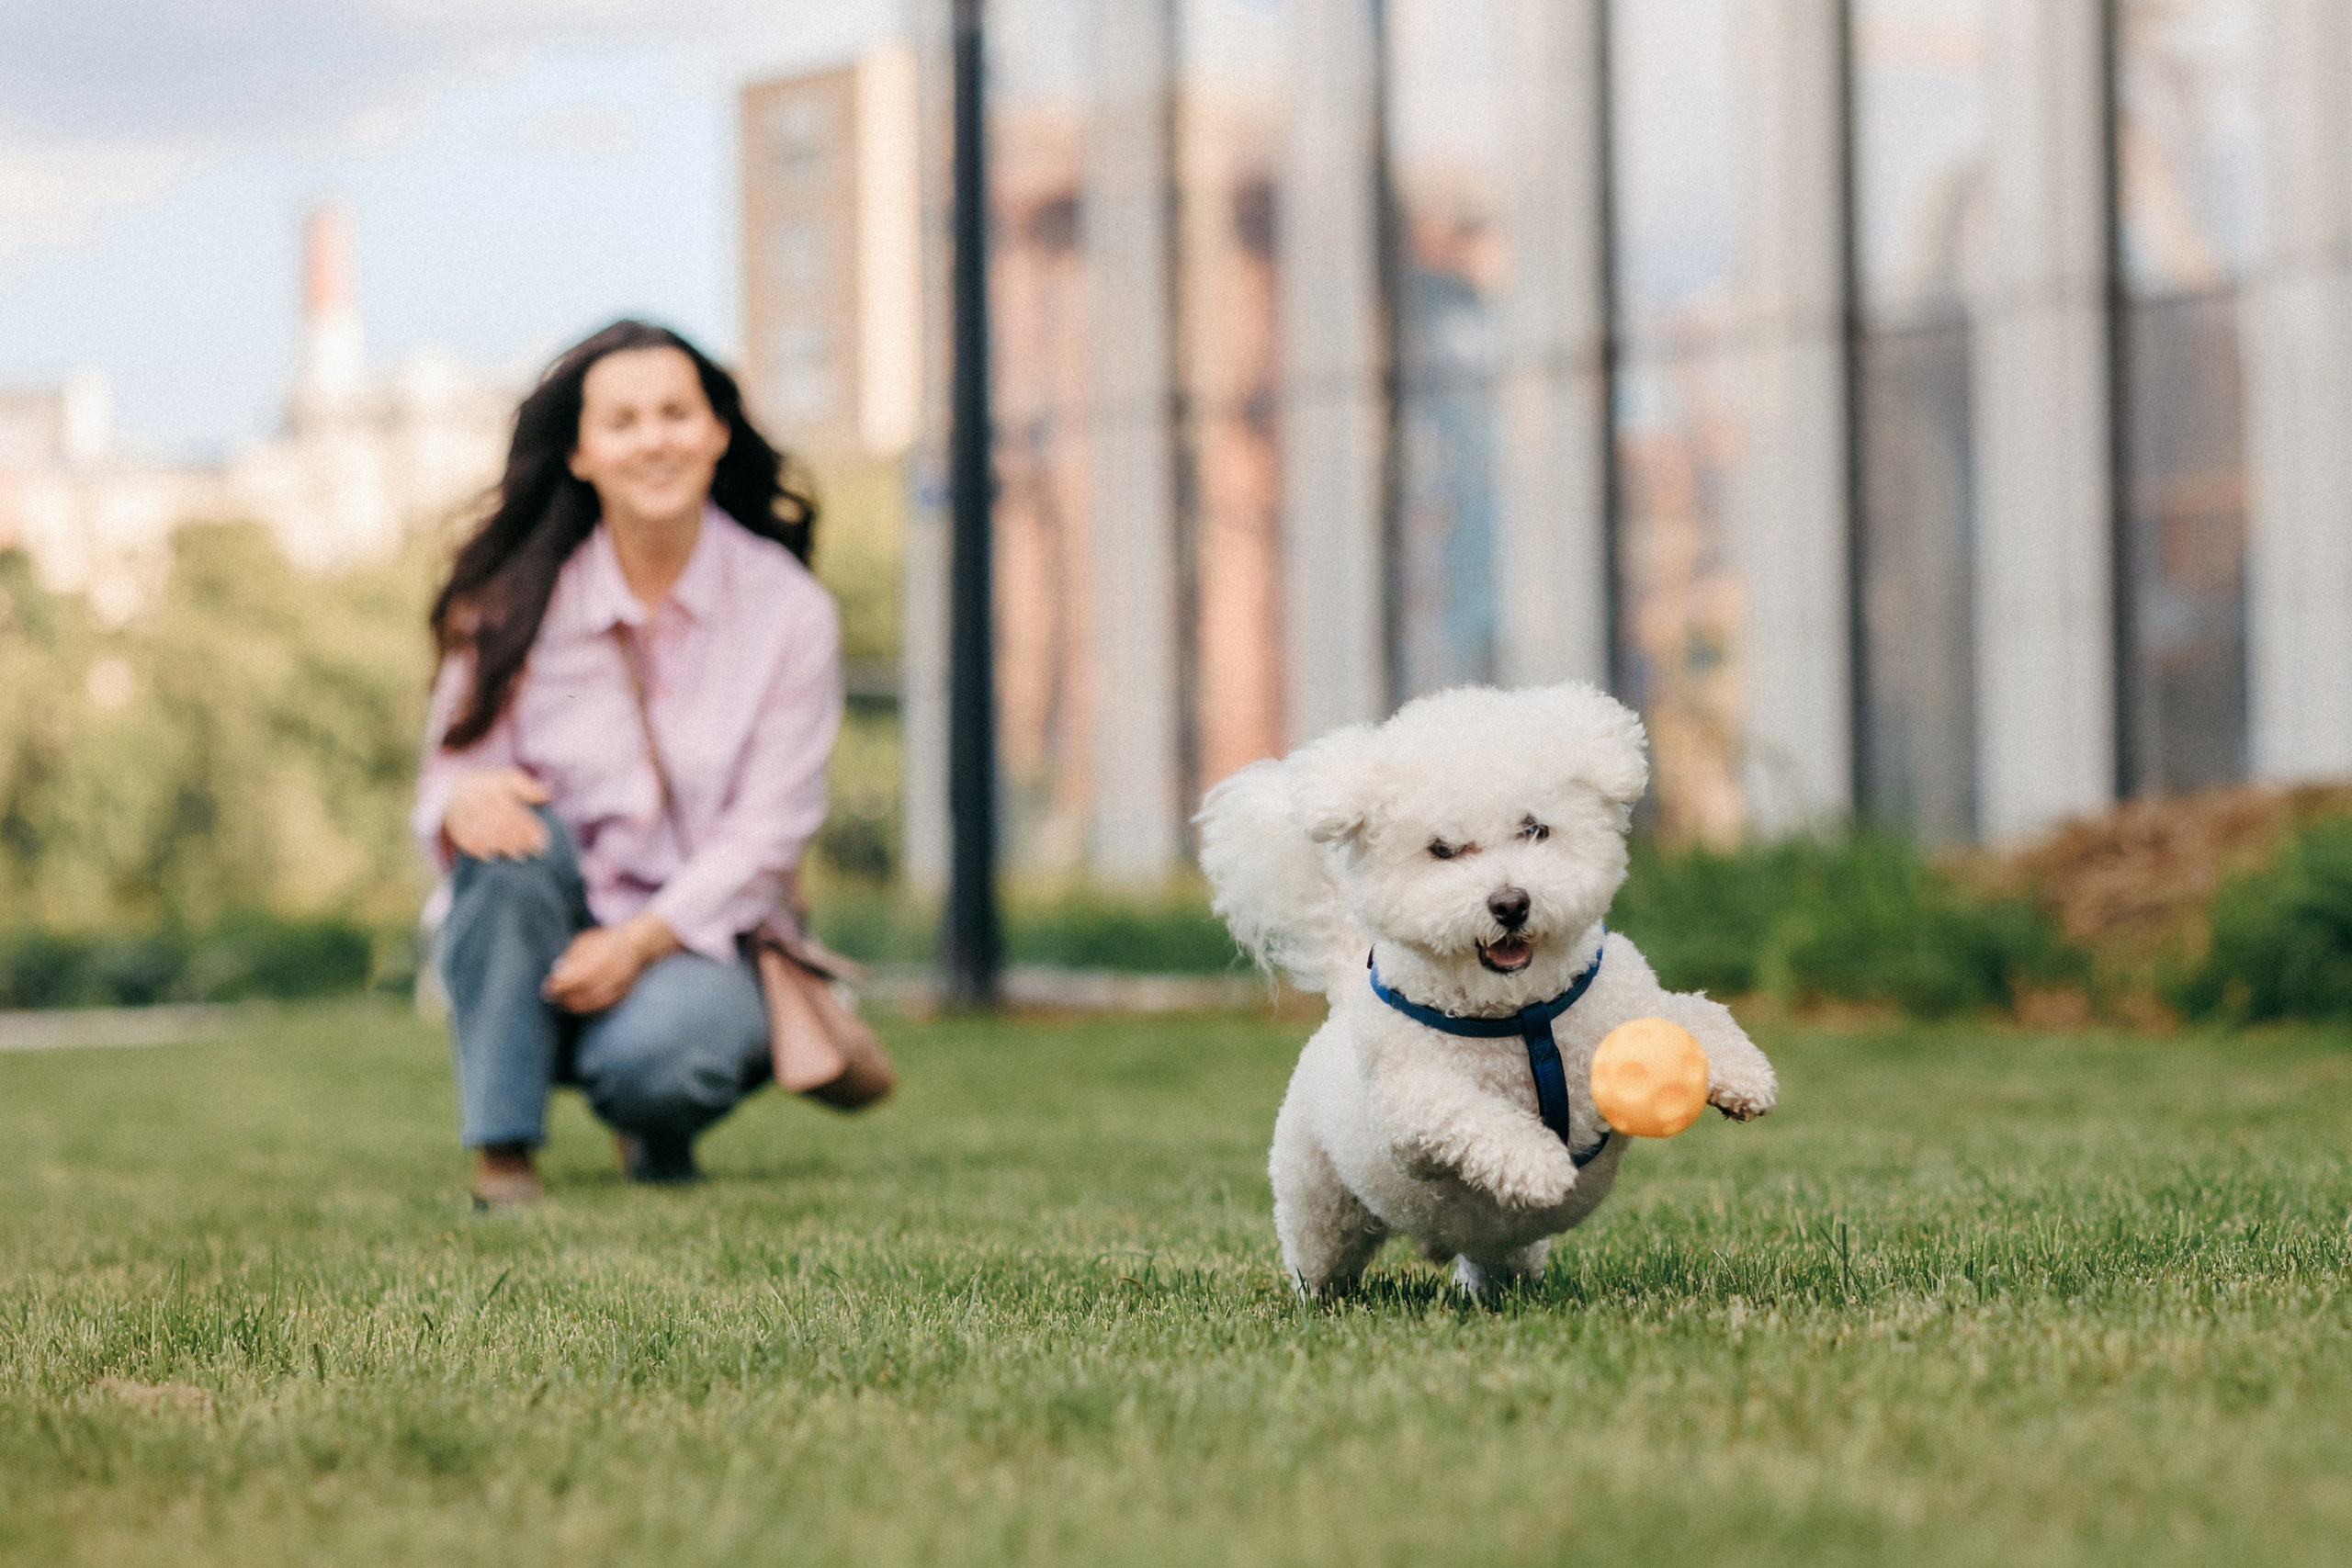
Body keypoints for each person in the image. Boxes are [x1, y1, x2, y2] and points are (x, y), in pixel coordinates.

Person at [413, 320, 841, 1208]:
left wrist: (636, 945)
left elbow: (769, 835)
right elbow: (443, 783)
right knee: (503, 838)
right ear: (580, 451)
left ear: (718, 431)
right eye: (623, 421)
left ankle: (648, 1112)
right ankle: (503, 1157)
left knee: (661, 1059)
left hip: (696, 936)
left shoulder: (790, 612)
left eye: (676, 413)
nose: (653, 440)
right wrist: (460, 803)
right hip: (542, 928)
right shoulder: (509, 606)